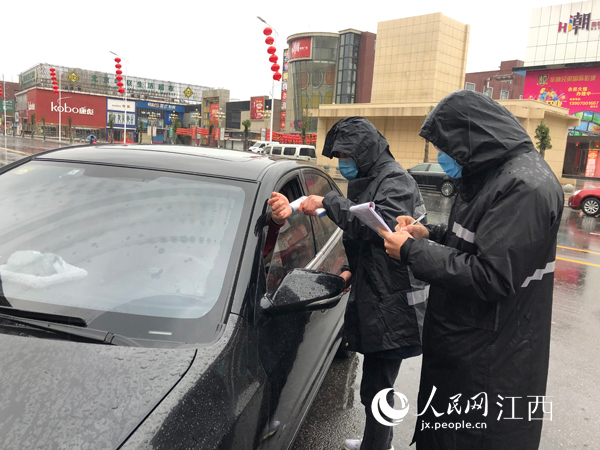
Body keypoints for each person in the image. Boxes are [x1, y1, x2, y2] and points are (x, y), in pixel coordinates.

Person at [379, 90, 564, 450]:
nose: (442, 156)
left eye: (445, 147)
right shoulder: (493, 174)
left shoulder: (523, 186)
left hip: (490, 362)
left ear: (472, 138)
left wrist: (412, 251)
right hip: (468, 346)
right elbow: (476, 241)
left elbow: (492, 275)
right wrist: (428, 233)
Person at [269, 116, 427, 450]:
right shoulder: (372, 178)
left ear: (365, 151)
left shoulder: (395, 181)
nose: (342, 163)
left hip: (393, 302)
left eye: (346, 156)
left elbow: (376, 228)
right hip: (377, 292)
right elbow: (362, 241)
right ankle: (376, 442)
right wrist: (349, 270)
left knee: (379, 386)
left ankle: (378, 445)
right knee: (375, 385)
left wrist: (327, 202)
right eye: (339, 156)